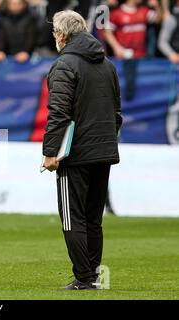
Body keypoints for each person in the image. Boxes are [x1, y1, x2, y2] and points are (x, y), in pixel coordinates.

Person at [42, 10, 122, 290]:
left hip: (74, 154)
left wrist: (51, 152)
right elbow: (116, 112)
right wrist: (108, 142)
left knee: (71, 216)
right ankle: (92, 276)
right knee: (92, 218)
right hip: (104, 151)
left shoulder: (65, 64)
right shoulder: (107, 64)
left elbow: (59, 113)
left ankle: (84, 278)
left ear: (62, 36)